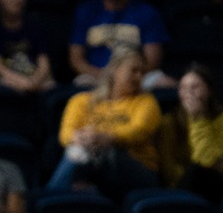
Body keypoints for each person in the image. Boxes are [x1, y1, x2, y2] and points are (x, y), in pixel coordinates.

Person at [49, 46, 161, 199]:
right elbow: (66, 133)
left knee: (104, 153)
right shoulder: (81, 101)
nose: (139, 77)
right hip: (90, 161)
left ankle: (51, 198)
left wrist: (105, 138)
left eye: (142, 72)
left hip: (138, 170)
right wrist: (80, 138)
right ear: (115, 69)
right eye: (134, 70)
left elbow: (138, 131)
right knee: (78, 150)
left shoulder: (146, 102)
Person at [70, 0, 168, 86]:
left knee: (163, 82)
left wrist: (128, 75)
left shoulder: (147, 12)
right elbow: (76, 59)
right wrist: (104, 76)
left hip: (136, 77)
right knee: (80, 84)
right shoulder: (85, 11)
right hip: (95, 77)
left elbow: (153, 60)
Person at [162, 64, 223, 201]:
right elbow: (169, 169)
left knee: (198, 170)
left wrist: (198, 119)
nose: (188, 93)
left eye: (195, 87)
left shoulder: (221, 120)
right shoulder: (169, 122)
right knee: (194, 172)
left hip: (215, 184)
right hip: (181, 187)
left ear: (209, 91)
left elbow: (207, 162)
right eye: (183, 88)